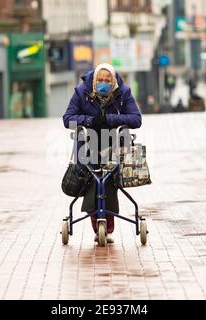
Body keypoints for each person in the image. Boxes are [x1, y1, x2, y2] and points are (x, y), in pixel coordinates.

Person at [63, 63, 142, 244]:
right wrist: (91, 121)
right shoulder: (81, 92)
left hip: (114, 143)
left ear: (113, 81)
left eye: (108, 80)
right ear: (94, 80)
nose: (103, 83)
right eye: (100, 80)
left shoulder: (123, 92)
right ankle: (99, 223)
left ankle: (108, 225)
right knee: (92, 182)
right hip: (88, 144)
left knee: (110, 182)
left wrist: (110, 119)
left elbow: (136, 119)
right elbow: (67, 119)